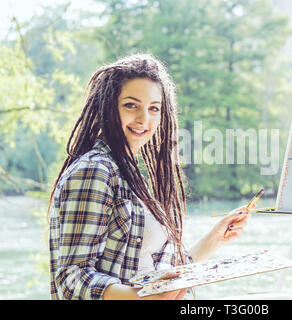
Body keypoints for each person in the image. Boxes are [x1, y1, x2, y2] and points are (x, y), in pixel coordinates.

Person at [48, 53, 251, 300]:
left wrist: (215, 236)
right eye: (131, 105)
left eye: (153, 108)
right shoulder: (95, 171)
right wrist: (142, 297)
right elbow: (71, 278)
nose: (144, 119)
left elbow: (158, 272)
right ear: (109, 108)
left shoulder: (130, 173)